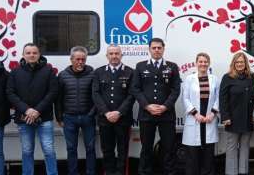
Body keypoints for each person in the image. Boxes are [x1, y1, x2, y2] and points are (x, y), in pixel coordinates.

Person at [130, 37, 181, 175]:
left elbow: (176, 90)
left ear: (163, 49)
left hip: (167, 114)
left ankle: (169, 172)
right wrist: (147, 106)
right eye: (154, 48)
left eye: (159, 47)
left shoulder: (172, 66)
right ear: (149, 49)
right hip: (146, 115)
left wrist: (165, 106)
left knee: (169, 147)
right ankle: (145, 172)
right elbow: (135, 89)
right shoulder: (140, 66)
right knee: (146, 147)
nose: (157, 50)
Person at [6, 43, 58, 175]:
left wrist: (37, 110)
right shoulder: (15, 72)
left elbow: (53, 92)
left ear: (39, 54)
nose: (31, 55)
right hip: (24, 119)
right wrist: (27, 110)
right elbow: (10, 93)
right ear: (23, 55)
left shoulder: (49, 71)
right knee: (27, 150)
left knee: (49, 150)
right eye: (28, 53)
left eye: (34, 53)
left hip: (44, 118)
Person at [93, 44, 135, 175]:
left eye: (117, 53)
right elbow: (95, 94)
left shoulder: (130, 72)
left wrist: (119, 112)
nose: (114, 56)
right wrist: (106, 112)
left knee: (123, 150)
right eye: (111, 54)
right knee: (107, 149)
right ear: (107, 56)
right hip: (104, 119)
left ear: (121, 55)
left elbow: (132, 94)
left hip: (123, 119)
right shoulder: (98, 72)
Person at [55, 46, 96, 175]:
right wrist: (59, 117)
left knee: (90, 148)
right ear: (71, 59)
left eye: (83, 59)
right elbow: (58, 98)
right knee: (71, 148)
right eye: (77, 59)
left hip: (88, 117)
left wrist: (92, 114)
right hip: (69, 118)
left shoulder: (92, 74)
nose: (80, 62)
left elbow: (97, 96)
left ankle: (91, 172)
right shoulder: (62, 75)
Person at [181, 52, 220, 175]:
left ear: (208, 63)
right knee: (192, 157)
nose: (203, 64)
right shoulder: (189, 79)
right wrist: (196, 114)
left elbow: (219, 98)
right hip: (195, 119)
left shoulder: (214, 79)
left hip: (209, 120)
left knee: (208, 158)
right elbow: (185, 98)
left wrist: (212, 114)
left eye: (205, 61)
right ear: (196, 63)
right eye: (200, 61)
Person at [219, 52, 254, 175]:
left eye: (242, 62)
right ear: (234, 64)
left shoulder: (251, 77)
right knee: (232, 148)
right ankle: (231, 172)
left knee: (245, 147)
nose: (240, 64)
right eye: (237, 62)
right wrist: (225, 117)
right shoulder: (227, 77)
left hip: (247, 119)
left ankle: (243, 172)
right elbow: (222, 99)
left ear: (245, 63)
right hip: (232, 119)